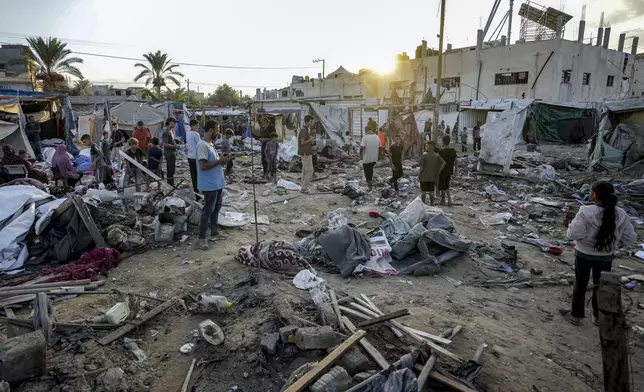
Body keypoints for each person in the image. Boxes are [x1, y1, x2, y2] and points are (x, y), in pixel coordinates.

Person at [560, 182, 637, 326]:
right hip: (606, 257)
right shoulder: (620, 213)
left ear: (594, 195)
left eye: (590, 191)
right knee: (600, 286)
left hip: (584, 255)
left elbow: (574, 234)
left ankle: (576, 315)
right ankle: (599, 317)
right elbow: (630, 238)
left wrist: (571, 228)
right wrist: (616, 242)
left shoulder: (585, 211)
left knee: (580, 285)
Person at [196, 120, 229, 250]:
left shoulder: (210, 144)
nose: (218, 132)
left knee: (216, 208)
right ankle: (202, 238)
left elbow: (215, 162)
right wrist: (219, 161)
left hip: (217, 183)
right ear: (210, 130)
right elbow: (203, 165)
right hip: (209, 185)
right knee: (208, 210)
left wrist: (223, 160)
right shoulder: (202, 145)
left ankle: (214, 232)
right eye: (217, 129)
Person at [419, 141, 445, 206]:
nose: (425, 147)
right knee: (431, 191)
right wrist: (439, 170)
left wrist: (419, 176)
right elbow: (444, 163)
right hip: (433, 177)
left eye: (426, 146)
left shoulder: (424, 156)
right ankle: (431, 203)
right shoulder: (437, 155)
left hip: (424, 177)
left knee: (423, 192)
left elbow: (421, 168)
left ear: (431, 147)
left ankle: (423, 204)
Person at [438, 135, 457, 206]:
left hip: (442, 171)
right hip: (450, 170)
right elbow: (456, 160)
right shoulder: (453, 151)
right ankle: (449, 200)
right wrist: (456, 170)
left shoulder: (441, 152)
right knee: (447, 185)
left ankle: (443, 200)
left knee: (442, 186)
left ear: (443, 142)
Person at [299, 115, 316, 193]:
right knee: (309, 170)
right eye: (311, 121)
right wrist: (311, 139)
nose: (312, 123)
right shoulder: (304, 130)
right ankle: (304, 188)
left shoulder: (306, 130)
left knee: (305, 170)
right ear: (307, 121)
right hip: (305, 153)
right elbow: (302, 142)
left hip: (306, 152)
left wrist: (311, 140)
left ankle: (303, 186)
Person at [360, 126, 381, 191]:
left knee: (367, 172)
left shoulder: (365, 137)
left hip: (367, 159)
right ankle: (369, 183)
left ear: (366, 130)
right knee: (370, 170)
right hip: (374, 158)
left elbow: (362, 147)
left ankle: (370, 186)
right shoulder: (377, 137)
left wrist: (360, 155)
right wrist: (379, 156)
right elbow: (380, 147)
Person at [186, 119, 202, 193]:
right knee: (198, 174)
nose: (197, 127)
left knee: (193, 175)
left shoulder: (188, 133)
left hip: (189, 156)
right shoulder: (196, 134)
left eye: (198, 125)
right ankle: (199, 189)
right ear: (192, 126)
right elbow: (200, 145)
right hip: (196, 157)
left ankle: (195, 190)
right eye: (196, 125)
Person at [162, 118, 178, 186]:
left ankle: (171, 183)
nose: (175, 124)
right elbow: (165, 144)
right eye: (174, 122)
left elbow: (172, 141)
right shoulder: (166, 132)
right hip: (169, 153)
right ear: (170, 122)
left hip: (173, 152)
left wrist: (176, 144)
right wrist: (174, 146)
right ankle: (170, 184)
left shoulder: (172, 131)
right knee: (170, 169)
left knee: (172, 169)